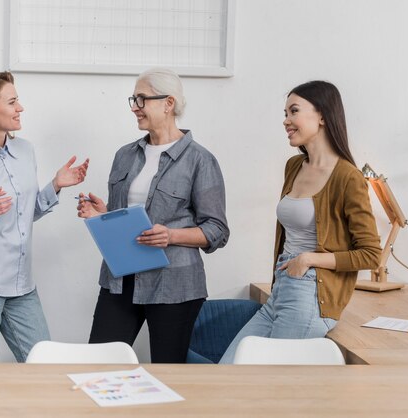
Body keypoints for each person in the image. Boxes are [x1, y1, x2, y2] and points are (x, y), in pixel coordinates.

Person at [219, 81, 381, 364]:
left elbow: (370, 255)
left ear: (322, 116)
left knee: (272, 387)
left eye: (294, 111)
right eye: (285, 113)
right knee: (229, 369)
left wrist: (309, 259)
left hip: (311, 297)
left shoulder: (348, 177)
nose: (286, 120)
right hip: (281, 289)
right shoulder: (294, 166)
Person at [77, 68, 230, 363]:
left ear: (168, 103)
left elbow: (217, 230)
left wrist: (171, 235)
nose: (135, 107)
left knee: (168, 373)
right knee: (97, 364)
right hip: (120, 279)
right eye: (133, 99)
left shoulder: (200, 160)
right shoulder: (125, 155)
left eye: (142, 99)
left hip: (175, 287)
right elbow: (128, 219)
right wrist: (102, 214)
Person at [0, 71, 89, 363]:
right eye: (12, 102)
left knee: (45, 363)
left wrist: (56, 185)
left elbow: (25, 213)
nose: (20, 108)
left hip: (22, 283)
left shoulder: (25, 151)